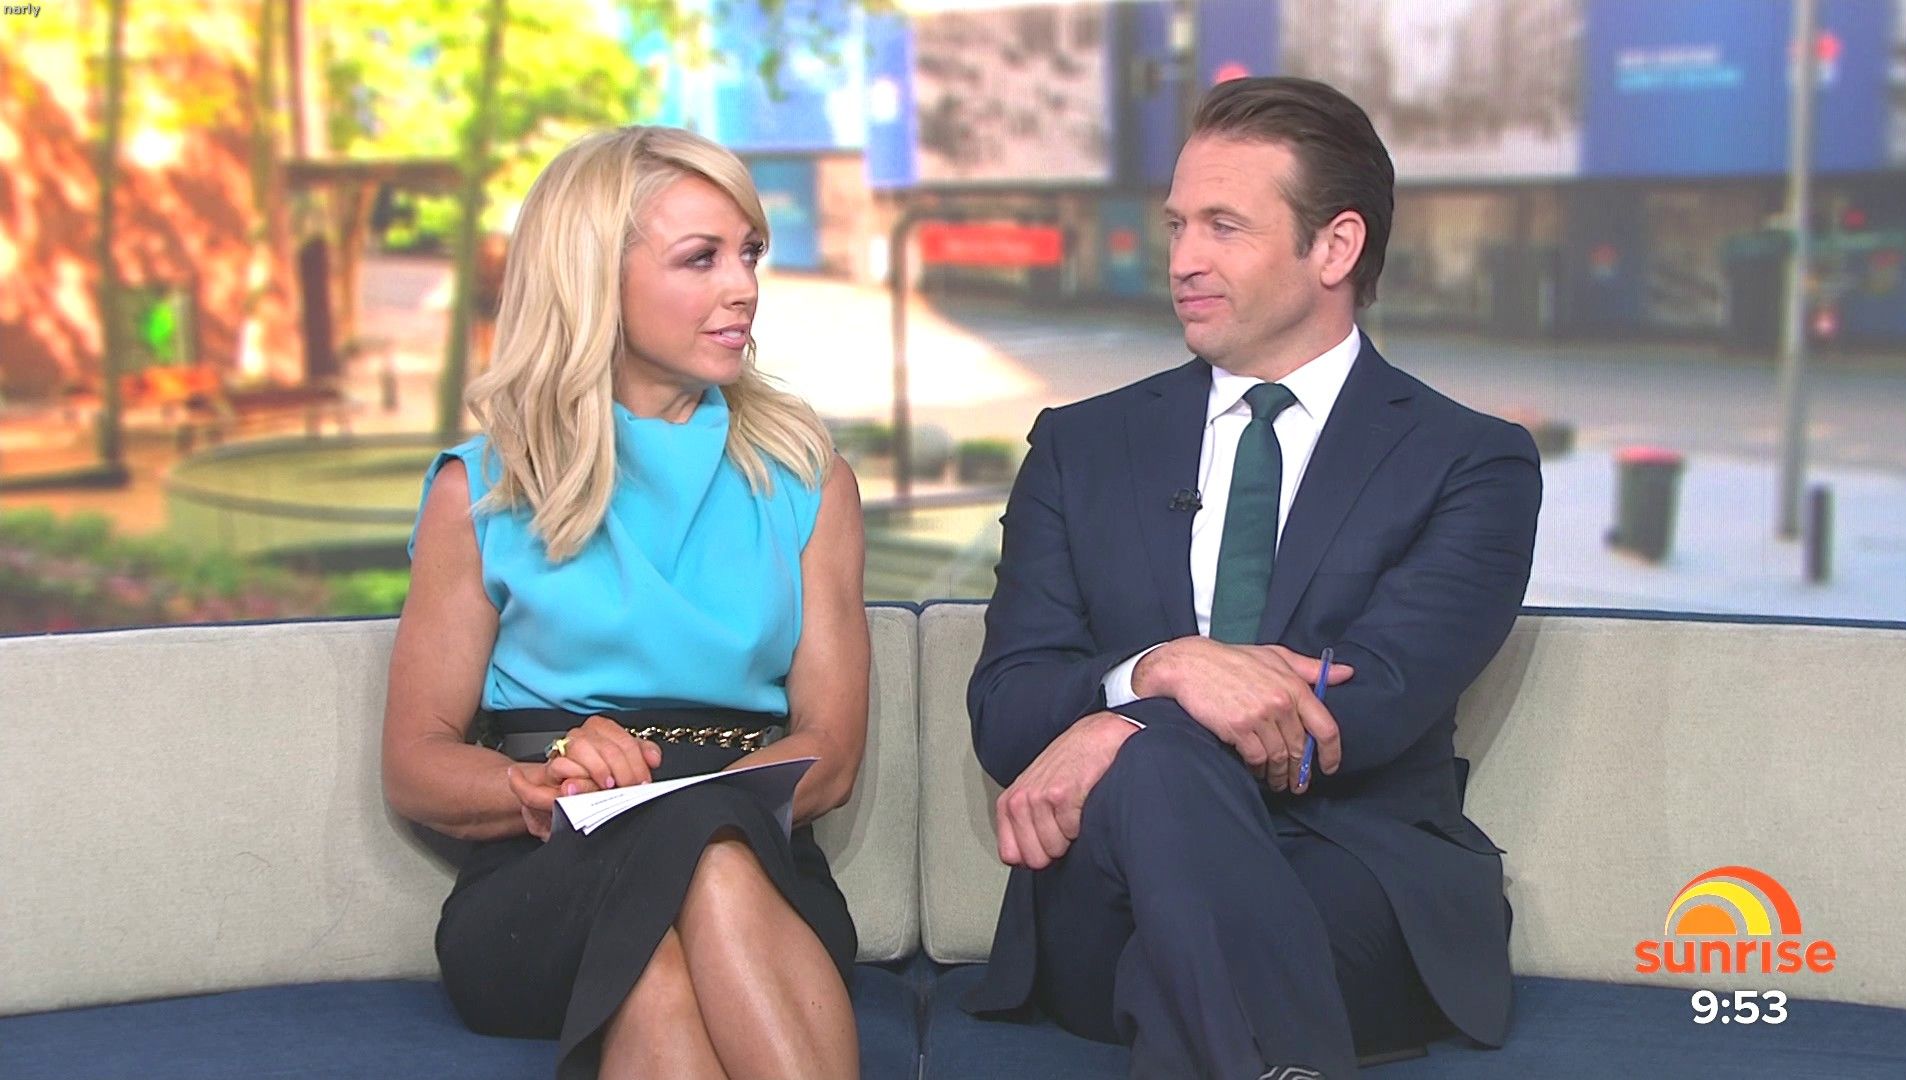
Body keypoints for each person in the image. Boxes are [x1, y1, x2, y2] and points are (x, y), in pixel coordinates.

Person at [962, 77, 1542, 1080]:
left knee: (1171, 911)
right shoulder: (1081, 446)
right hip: (1109, 883)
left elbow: (1360, 712)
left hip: (1352, 878)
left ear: (1336, 246)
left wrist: (1120, 722)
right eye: (1178, 224)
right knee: (1158, 808)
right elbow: (1008, 710)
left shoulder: (1470, 462)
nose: (1182, 259)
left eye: (1223, 227)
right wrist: (1163, 668)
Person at [382, 125, 869, 1080]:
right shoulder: (481, 490)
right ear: (594, 277)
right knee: (684, 875)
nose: (745, 287)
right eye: (702, 258)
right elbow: (415, 764)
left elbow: (833, 747)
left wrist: (698, 809)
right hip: (549, 872)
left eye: (750, 253)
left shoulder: (809, 481)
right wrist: (535, 783)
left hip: (757, 861)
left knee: (684, 909)